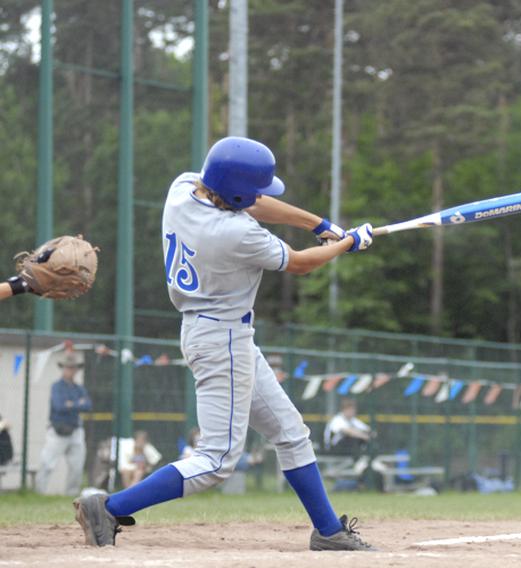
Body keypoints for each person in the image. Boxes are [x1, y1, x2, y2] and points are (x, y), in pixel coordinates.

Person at [73, 136, 375, 550]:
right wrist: (348, 243)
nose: (259, 197)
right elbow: (302, 264)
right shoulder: (236, 233)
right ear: (236, 194)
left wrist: (320, 225)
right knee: (216, 460)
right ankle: (108, 507)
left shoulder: (183, 188)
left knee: (291, 433)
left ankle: (328, 531)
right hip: (223, 340)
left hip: (215, 332)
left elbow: (253, 202)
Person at [35, 354, 92, 495]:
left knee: (77, 466)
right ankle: (38, 493)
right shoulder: (57, 386)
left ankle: (71, 494)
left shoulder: (79, 388)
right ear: (63, 368)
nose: (71, 371)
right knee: (47, 463)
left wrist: (71, 404)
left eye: (74, 368)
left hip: (76, 430)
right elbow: (59, 405)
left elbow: (88, 405)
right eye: (68, 368)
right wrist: (77, 403)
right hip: (57, 431)